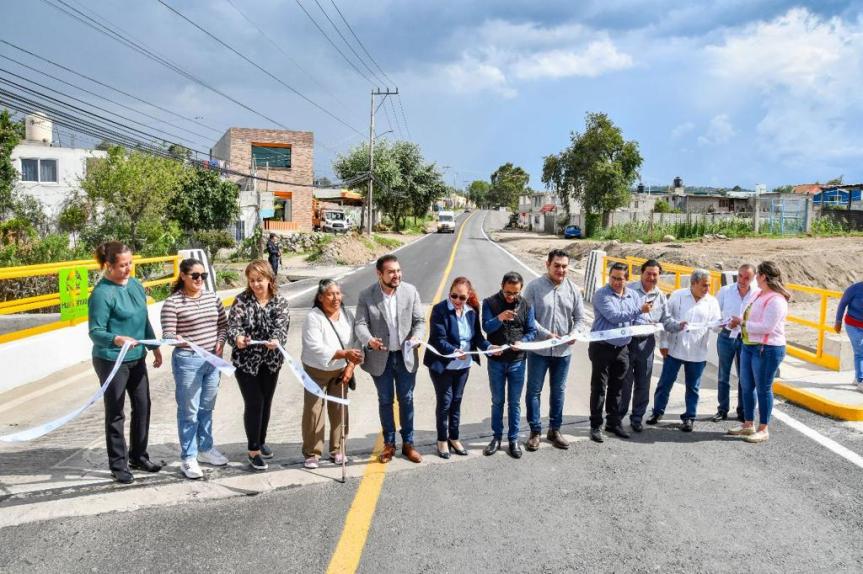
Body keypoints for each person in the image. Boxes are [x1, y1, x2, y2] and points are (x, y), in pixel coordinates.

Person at [88, 241, 163, 484]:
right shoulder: (102, 294)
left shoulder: (136, 285)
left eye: (130, 263)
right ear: (108, 266)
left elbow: (143, 319)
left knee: (143, 406)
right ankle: (118, 465)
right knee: (116, 412)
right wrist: (117, 339)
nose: (128, 268)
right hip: (112, 360)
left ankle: (138, 456)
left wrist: (154, 347)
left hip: (136, 357)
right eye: (122, 265)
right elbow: (95, 331)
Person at [160, 258, 229, 480]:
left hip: (213, 361)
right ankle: (188, 457)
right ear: (183, 276)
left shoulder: (212, 298)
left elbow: (223, 325)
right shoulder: (173, 303)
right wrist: (178, 339)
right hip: (187, 361)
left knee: (207, 407)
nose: (200, 280)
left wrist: (220, 342)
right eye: (195, 276)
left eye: (204, 276)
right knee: (189, 410)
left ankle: (206, 448)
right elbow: (168, 336)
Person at [355, 254, 425, 464]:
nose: (397, 275)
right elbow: (360, 324)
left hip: (405, 357)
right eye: (391, 272)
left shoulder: (410, 291)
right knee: (385, 401)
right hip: (380, 359)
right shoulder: (367, 295)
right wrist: (369, 341)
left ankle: (409, 444)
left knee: (407, 399)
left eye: (398, 270)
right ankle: (389, 445)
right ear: (379, 274)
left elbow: (419, 320)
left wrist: (417, 336)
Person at [227, 260, 290, 471]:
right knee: (254, 402)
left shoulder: (280, 301)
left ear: (270, 279)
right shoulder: (241, 301)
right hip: (246, 362)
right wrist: (237, 338)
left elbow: (282, 328)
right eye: (252, 280)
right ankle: (253, 450)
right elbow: (232, 327)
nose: (255, 284)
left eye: (259, 280)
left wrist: (276, 340)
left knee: (266, 402)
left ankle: (261, 440)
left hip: (271, 362)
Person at [522, 249, 586, 451]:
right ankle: (535, 432)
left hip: (563, 353)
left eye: (564, 266)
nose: (561, 270)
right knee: (534, 391)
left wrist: (573, 333)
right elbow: (527, 317)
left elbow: (580, 318)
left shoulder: (573, 289)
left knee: (558, 391)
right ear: (547, 265)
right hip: (539, 351)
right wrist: (546, 334)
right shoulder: (533, 287)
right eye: (557, 265)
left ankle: (555, 430)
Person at [424, 277, 494, 459]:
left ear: (468, 296)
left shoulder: (472, 310)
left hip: (463, 364)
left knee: (457, 400)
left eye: (461, 297)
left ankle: (454, 438)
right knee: (445, 401)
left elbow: (477, 336)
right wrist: (454, 351)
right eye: (453, 296)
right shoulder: (440, 310)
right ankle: (441, 440)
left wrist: (488, 347)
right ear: (450, 292)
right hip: (443, 363)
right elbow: (438, 339)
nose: (457, 301)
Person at [588, 263, 657, 443]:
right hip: (602, 347)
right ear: (609, 277)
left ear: (627, 279)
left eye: (621, 278)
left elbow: (638, 318)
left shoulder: (632, 295)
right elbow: (615, 316)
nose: (618, 282)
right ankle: (595, 425)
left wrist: (653, 322)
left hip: (622, 348)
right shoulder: (601, 295)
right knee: (599, 387)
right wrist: (639, 310)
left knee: (618, 387)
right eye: (614, 278)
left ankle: (613, 422)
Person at [647, 269, 721, 432]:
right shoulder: (677, 296)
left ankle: (689, 417)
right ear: (693, 283)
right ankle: (657, 412)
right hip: (674, 349)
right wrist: (664, 343)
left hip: (698, 352)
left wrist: (723, 325)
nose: (707, 288)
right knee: (665, 383)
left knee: (693, 387)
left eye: (708, 285)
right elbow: (666, 320)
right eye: (704, 285)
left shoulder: (712, 302)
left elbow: (716, 327)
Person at [301, 279, 363, 469]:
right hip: (316, 370)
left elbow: (357, 341)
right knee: (314, 411)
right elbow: (314, 346)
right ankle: (312, 452)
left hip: (341, 370)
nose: (336, 298)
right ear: (320, 297)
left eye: (338, 293)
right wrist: (343, 354)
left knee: (339, 409)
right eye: (330, 294)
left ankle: (338, 449)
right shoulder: (313, 317)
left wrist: (350, 366)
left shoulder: (347, 314)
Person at [727, 261, 791, 443]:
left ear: (762, 276)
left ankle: (763, 428)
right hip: (749, 345)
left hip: (767, 348)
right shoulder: (759, 294)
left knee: (763, 389)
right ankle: (748, 424)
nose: (755, 278)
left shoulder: (777, 300)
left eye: (758, 275)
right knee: (746, 386)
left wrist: (742, 323)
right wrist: (740, 322)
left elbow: (767, 327)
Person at [481, 271, 537, 458]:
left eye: (515, 293)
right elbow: (486, 327)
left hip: (517, 361)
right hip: (496, 361)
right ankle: (496, 437)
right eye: (508, 293)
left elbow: (531, 331)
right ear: (501, 286)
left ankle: (513, 439)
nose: (512, 297)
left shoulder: (527, 305)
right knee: (497, 401)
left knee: (514, 403)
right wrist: (499, 318)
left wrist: (523, 342)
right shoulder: (489, 303)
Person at [619, 259, 678, 433]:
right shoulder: (628, 290)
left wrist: (679, 325)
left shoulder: (660, 295)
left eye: (655, 275)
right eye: (648, 274)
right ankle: (617, 418)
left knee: (643, 383)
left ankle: (637, 418)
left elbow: (666, 319)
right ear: (641, 273)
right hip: (627, 342)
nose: (651, 278)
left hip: (647, 343)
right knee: (624, 382)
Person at [712, 264, 759, 422]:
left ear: (753, 278)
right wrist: (725, 324)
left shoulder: (757, 294)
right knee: (723, 375)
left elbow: (759, 317)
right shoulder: (725, 291)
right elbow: (715, 314)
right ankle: (722, 409)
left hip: (745, 337)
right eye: (740, 276)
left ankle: (743, 411)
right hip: (726, 336)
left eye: (747, 278)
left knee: (744, 376)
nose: (742, 280)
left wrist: (742, 323)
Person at [834, 279, 863, 390]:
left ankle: (857, 378)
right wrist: (838, 322)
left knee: (859, 352)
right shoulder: (854, 289)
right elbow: (842, 304)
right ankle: (861, 381)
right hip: (853, 325)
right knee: (860, 351)